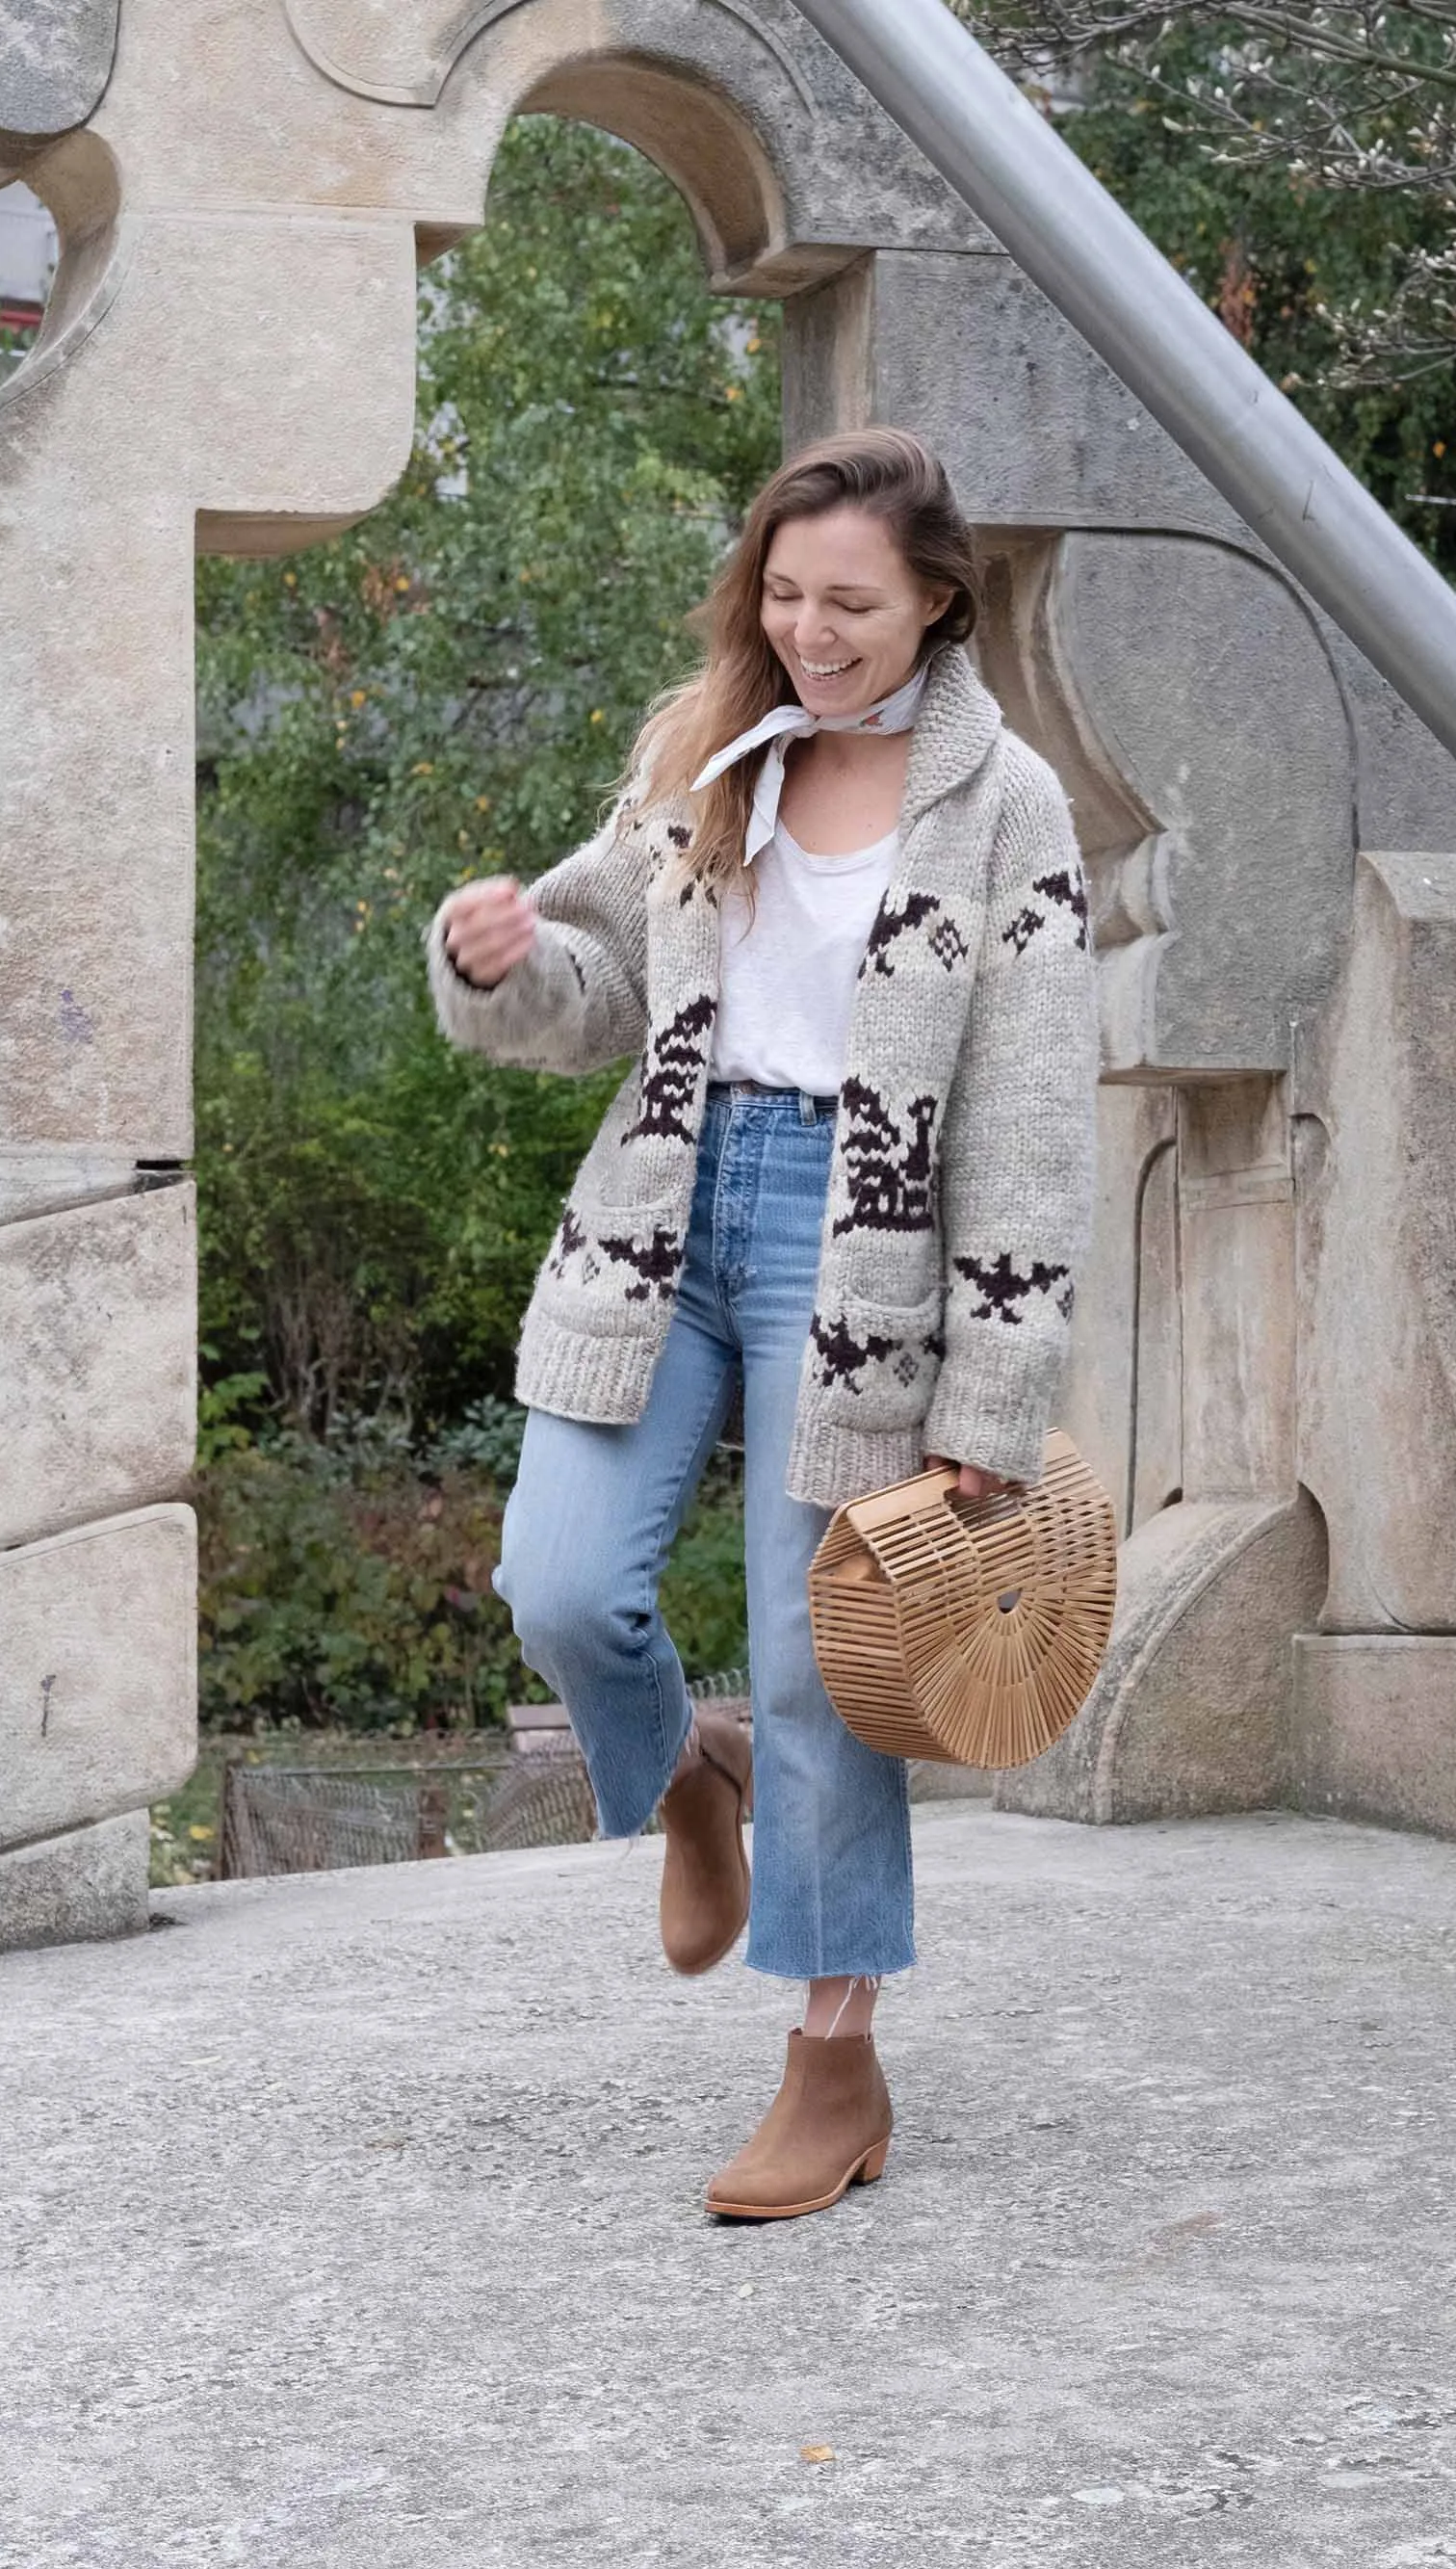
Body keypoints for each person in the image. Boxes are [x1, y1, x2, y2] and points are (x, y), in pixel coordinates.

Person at [427, 427, 1097, 2220]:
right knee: (560, 1583)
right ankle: (683, 1779)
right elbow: (599, 1000)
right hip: (665, 1207)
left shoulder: (1006, 805)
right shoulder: (702, 749)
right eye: (785, 593)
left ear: (939, 600)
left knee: (820, 1670)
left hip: (861, 1245)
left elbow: (1035, 1113)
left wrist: (994, 1387)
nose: (810, 631)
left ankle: (831, 2058)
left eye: (851, 602)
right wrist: (495, 959)